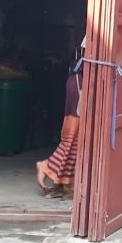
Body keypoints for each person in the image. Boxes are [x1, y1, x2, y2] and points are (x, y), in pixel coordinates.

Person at [36, 42, 84, 198]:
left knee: (74, 143)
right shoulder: (77, 74)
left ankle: (62, 184)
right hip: (78, 94)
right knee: (73, 142)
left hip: (77, 91)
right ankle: (46, 166)